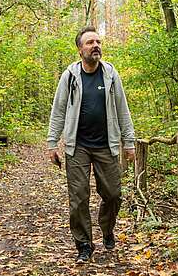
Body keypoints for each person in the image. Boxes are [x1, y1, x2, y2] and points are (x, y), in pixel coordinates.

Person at [47, 26, 136, 263]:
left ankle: (107, 230)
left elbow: (122, 109)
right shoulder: (70, 76)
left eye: (98, 41)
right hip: (78, 146)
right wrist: (52, 143)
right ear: (80, 50)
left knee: (114, 194)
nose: (95, 45)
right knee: (78, 198)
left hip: (107, 144)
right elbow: (58, 111)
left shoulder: (110, 74)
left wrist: (129, 142)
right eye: (89, 43)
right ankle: (84, 244)